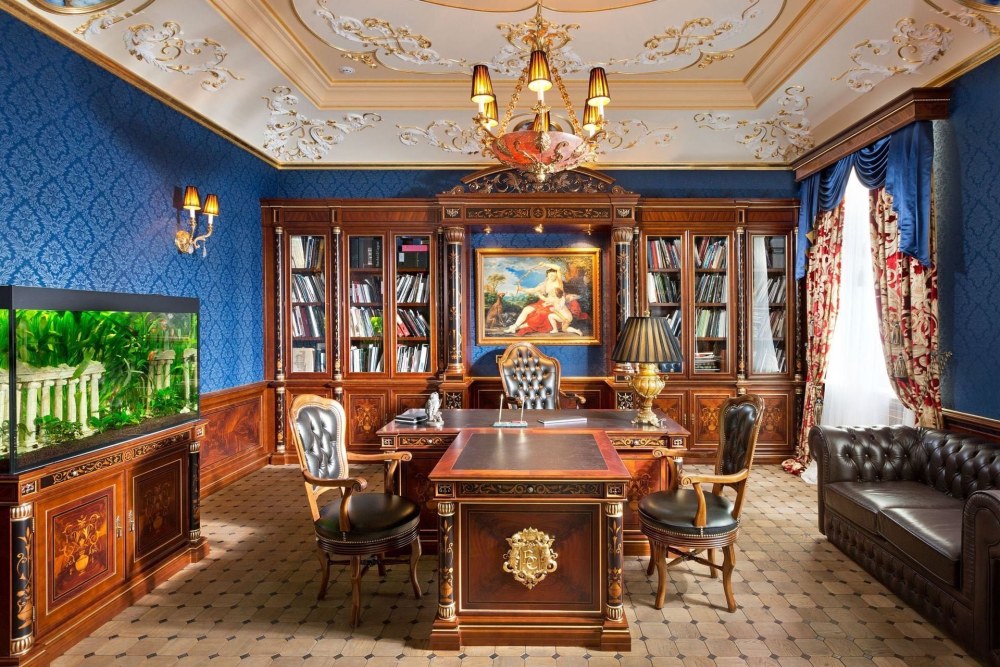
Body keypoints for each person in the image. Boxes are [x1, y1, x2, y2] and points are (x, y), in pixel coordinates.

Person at [503, 265, 564, 335]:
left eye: (554, 275)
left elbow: (558, 268)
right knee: (526, 309)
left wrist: (544, 264)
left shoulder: (559, 283)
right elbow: (534, 290)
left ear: (557, 275)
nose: (552, 277)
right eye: (550, 275)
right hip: (545, 302)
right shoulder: (546, 283)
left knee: (539, 314)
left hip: (555, 305)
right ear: (547, 275)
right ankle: (514, 326)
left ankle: (516, 328)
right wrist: (522, 289)